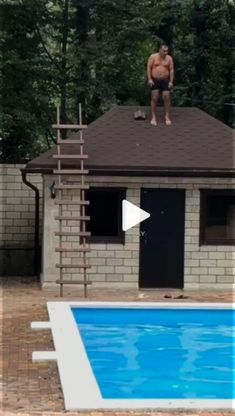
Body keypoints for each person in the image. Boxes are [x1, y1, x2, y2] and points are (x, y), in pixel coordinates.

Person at [147, 44, 174, 126]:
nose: (166, 52)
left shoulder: (169, 58)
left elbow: (172, 70)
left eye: (167, 51)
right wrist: (149, 79)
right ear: (160, 50)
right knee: (154, 98)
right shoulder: (153, 57)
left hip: (165, 80)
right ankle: (153, 117)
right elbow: (148, 67)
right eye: (164, 51)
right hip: (155, 80)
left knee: (166, 97)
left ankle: (167, 117)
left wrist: (171, 81)